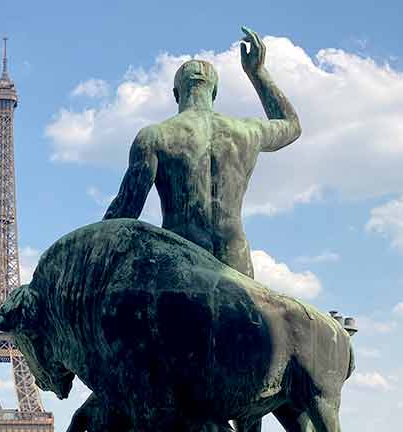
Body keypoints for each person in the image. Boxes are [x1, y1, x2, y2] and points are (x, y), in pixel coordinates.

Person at [104, 26, 301, 278]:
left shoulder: (155, 136)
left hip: (181, 260)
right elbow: (292, 125)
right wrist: (257, 73)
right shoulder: (248, 130)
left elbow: (124, 211)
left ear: (176, 94)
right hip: (235, 260)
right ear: (215, 92)